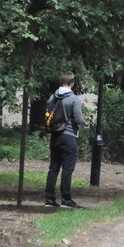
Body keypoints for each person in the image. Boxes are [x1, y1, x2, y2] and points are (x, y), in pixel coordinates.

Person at [44, 72, 85, 209]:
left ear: (60, 81)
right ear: (72, 83)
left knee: (54, 167)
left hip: (55, 135)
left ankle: (49, 199)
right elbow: (78, 120)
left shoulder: (52, 98)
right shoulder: (74, 99)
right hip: (68, 136)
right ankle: (66, 199)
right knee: (67, 169)